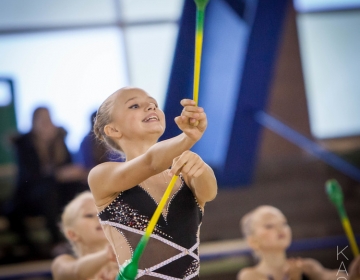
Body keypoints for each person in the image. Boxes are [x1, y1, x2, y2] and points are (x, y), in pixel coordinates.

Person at [88, 86, 217, 279]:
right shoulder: (102, 175)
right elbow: (151, 163)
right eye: (134, 105)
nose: (150, 106)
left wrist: (201, 166)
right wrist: (187, 137)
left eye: (154, 104)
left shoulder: (186, 169)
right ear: (113, 129)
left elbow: (209, 193)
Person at [7, 106, 88, 258]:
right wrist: (56, 175)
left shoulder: (59, 140)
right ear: (33, 122)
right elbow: (29, 177)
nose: (46, 123)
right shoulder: (24, 144)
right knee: (49, 192)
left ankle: (87, 238)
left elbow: (68, 167)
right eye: (42, 119)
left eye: (48, 118)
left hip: (58, 192)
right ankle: (56, 242)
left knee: (81, 187)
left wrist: (74, 173)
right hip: (30, 197)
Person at [237, 205, 360, 280]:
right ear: (253, 241)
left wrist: (353, 275)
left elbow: (332, 276)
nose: (280, 229)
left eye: (284, 223)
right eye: (269, 226)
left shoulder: (307, 267)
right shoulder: (250, 275)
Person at [51, 191, 119, 280]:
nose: (101, 218)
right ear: (72, 234)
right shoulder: (61, 263)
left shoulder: (128, 262)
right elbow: (74, 272)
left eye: (104, 213)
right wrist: (106, 255)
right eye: (90, 215)